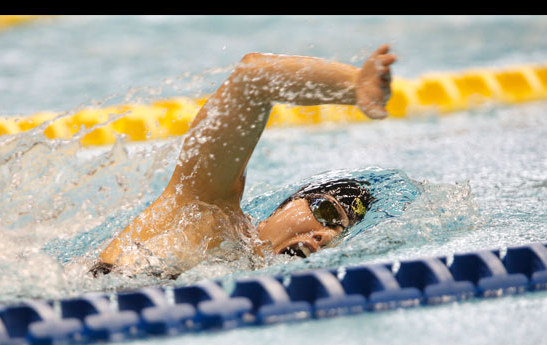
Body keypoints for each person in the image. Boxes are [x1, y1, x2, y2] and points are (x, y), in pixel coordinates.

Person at [91, 44, 397, 278]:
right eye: (325, 210)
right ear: (281, 208)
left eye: (339, 234)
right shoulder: (208, 210)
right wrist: (354, 84)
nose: (325, 234)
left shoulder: (249, 276)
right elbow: (253, 78)